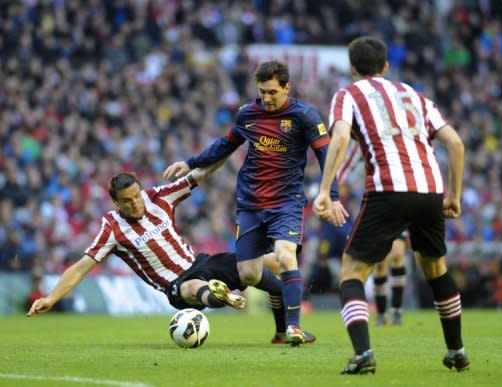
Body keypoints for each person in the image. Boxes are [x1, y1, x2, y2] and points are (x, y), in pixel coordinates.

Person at [313, 36, 469, 374]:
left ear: (352, 68)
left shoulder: (348, 94)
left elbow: (339, 138)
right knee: (436, 271)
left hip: (388, 189)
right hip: (430, 190)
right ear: (385, 66)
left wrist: (325, 189)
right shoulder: (415, 95)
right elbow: (455, 143)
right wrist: (453, 196)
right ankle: (456, 350)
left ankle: (363, 354)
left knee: (352, 273)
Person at [163, 60, 345, 345]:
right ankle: (282, 304)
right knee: (248, 274)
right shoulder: (248, 114)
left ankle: (293, 328)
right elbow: (225, 146)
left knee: (286, 257)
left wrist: (331, 195)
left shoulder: (305, 116)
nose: (267, 98)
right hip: (250, 204)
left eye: (272, 92)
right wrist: (190, 162)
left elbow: (326, 156)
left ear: (287, 87)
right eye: (262, 92)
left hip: (286, 202)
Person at [27, 169, 315, 344]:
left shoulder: (158, 197)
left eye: (136, 196)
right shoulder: (112, 227)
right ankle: (219, 296)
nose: (135, 203)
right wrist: (51, 297)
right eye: (126, 201)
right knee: (194, 289)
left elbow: (198, 176)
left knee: (275, 280)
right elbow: (81, 267)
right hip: (175, 284)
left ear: (141, 190)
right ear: (115, 203)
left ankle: (281, 333)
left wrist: (229, 145)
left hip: (202, 261)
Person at [337, 143, 408, 327]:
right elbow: (347, 165)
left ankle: (397, 310)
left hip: (399, 203)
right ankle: (383, 312)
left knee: (398, 254)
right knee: (381, 263)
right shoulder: (366, 142)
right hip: (376, 205)